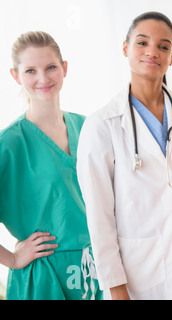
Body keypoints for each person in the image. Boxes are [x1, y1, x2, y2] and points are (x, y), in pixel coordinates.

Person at [76, 12, 172, 300]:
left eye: (163, 46)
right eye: (142, 42)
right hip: (139, 273)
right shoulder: (102, 124)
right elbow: (99, 216)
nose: (153, 52)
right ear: (125, 48)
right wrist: (115, 288)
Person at [0, 31, 101, 300]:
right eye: (31, 70)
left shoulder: (89, 128)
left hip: (95, 271)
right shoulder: (9, 145)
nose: (43, 78)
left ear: (64, 68)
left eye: (51, 67)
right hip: (43, 278)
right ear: (15, 76)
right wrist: (11, 258)